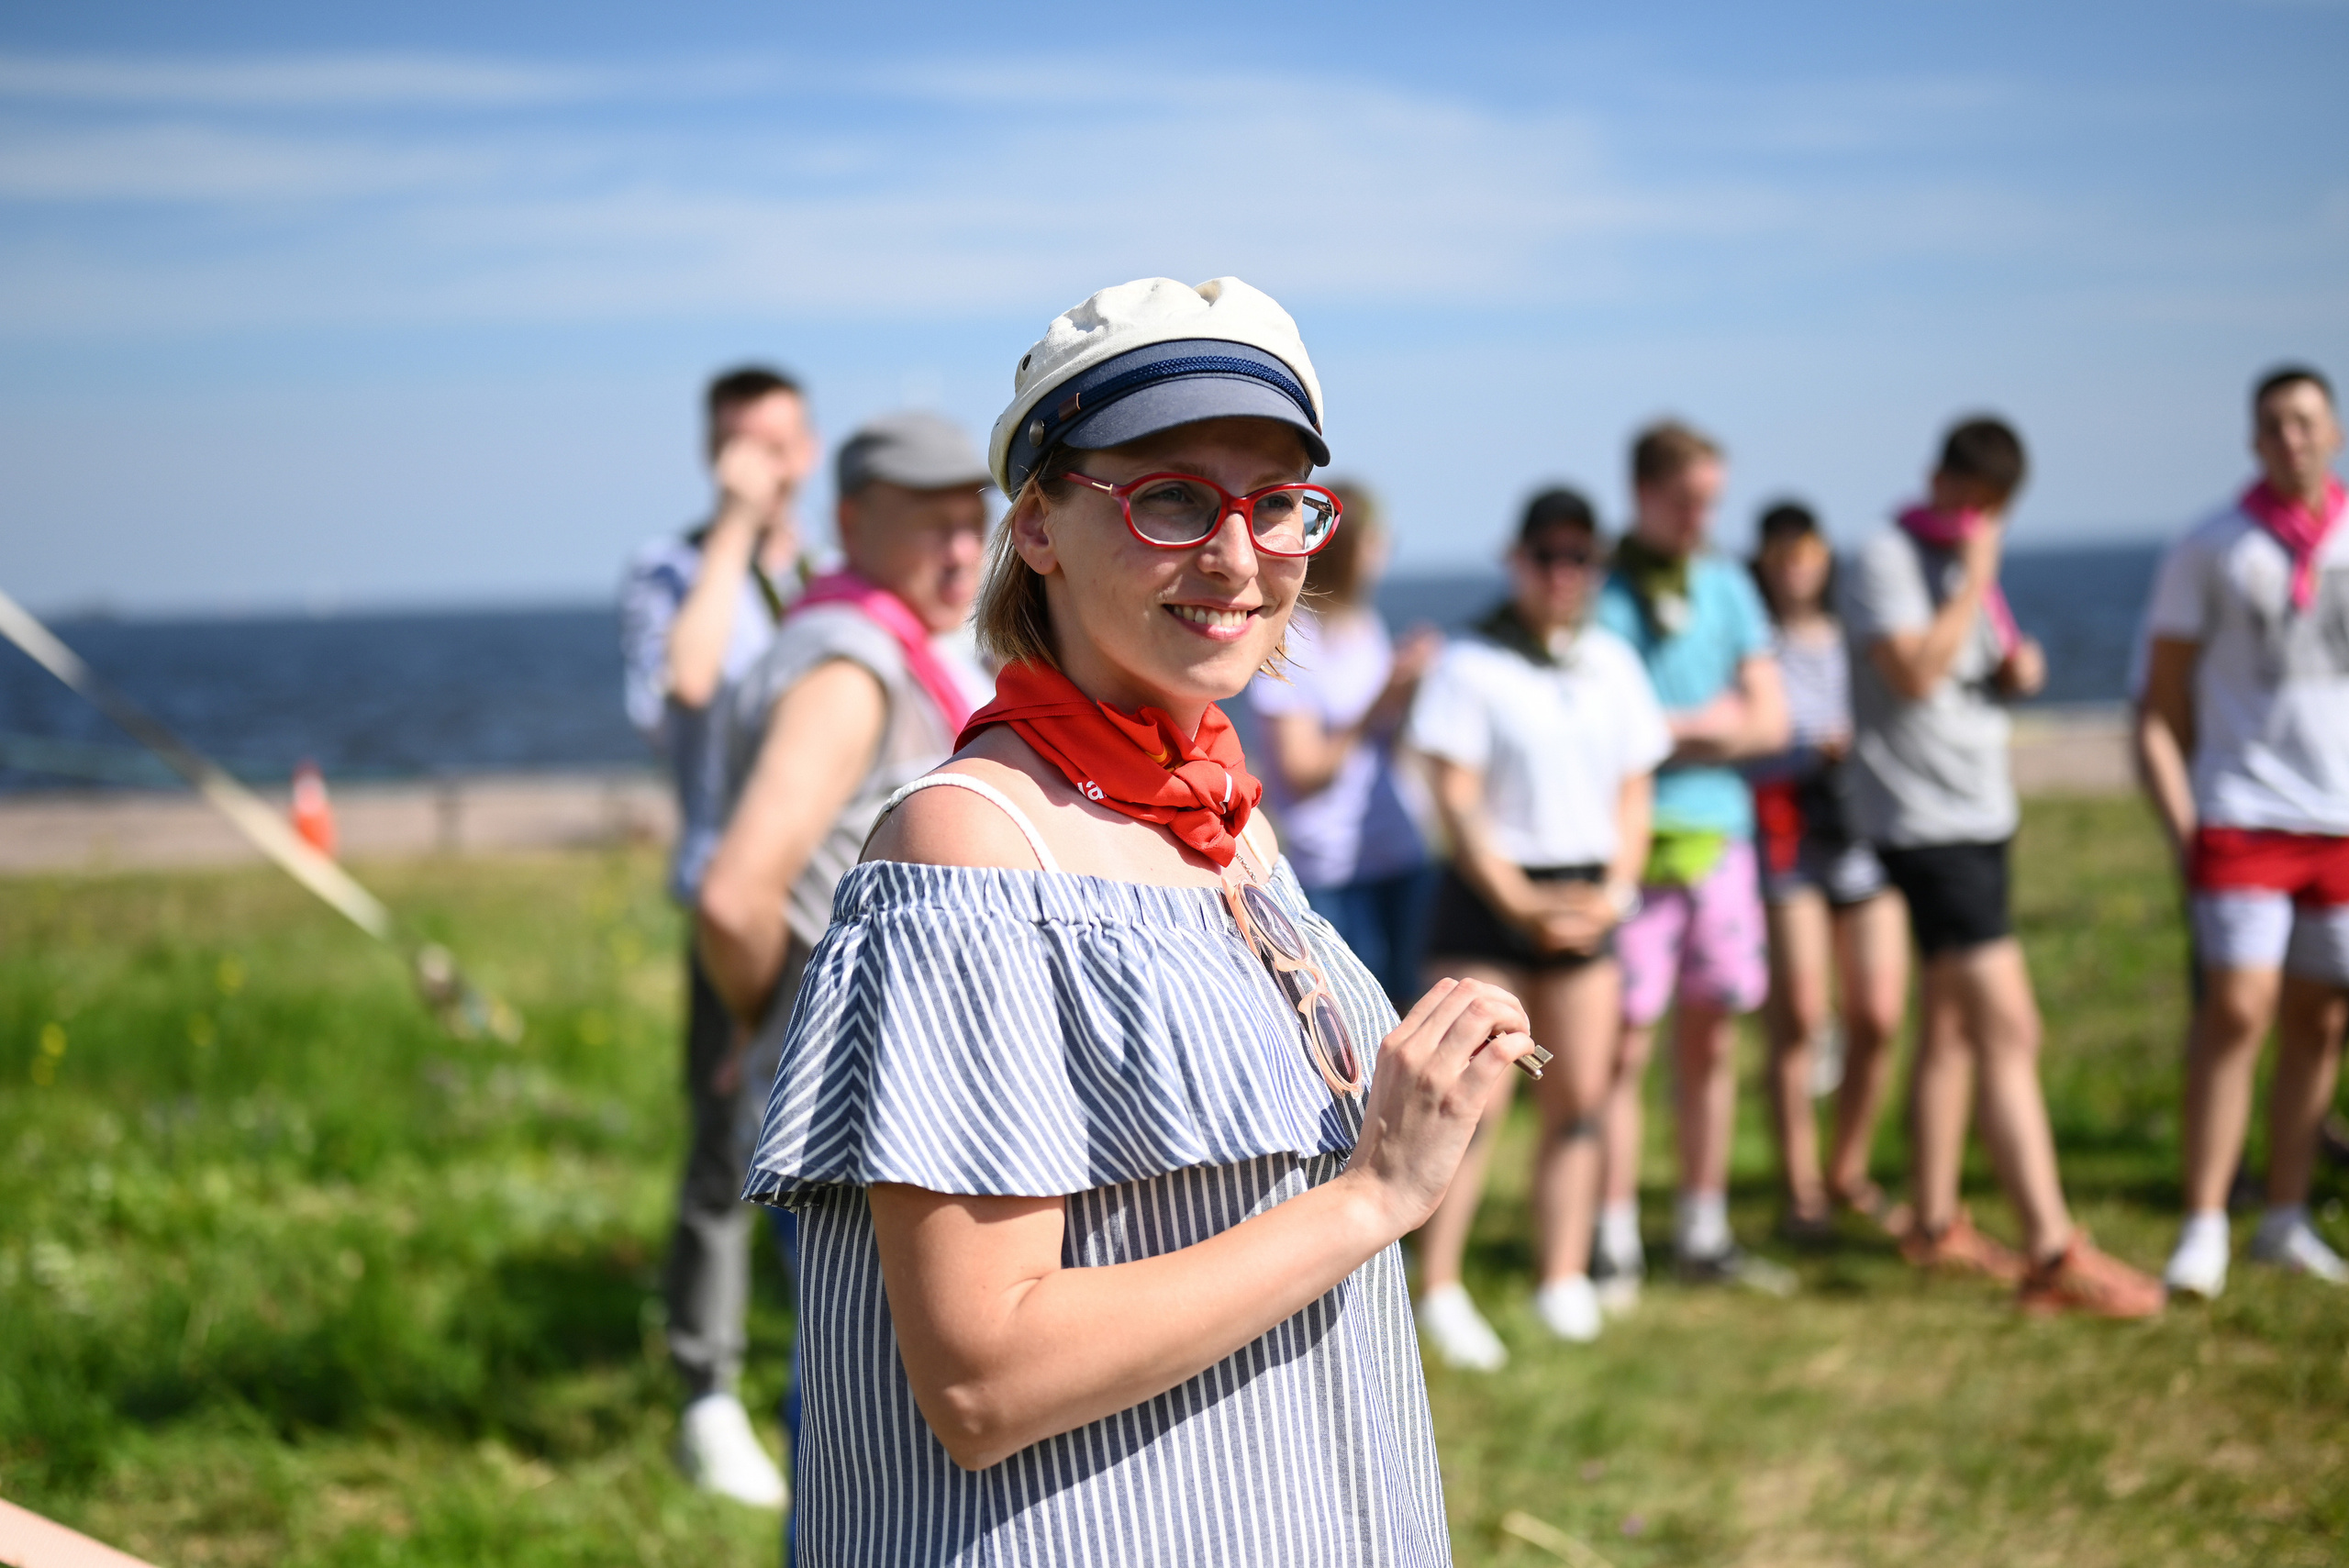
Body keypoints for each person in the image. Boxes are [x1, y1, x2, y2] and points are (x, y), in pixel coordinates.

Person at [739, 276, 1544, 1564]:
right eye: (1170, 497)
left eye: (1278, 502)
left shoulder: (1228, 823)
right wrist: (1373, 1195)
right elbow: (983, 1378)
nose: (1237, 556)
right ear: (1042, 525)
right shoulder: (977, 849)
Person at [696, 409, 995, 1553]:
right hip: (868, 1105)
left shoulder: (869, 635)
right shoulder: (852, 667)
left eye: (974, 523)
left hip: (877, 1096)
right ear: (851, 521)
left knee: (862, 1398)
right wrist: (768, 1022)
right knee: (869, 1418)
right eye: (931, 525)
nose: (962, 550)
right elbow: (736, 894)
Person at [1843, 415, 2163, 1317]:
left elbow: (1969, 672)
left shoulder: (1954, 564)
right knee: (2009, 1028)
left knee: (1949, 1024)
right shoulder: (1886, 557)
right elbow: (1913, 671)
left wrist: (2018, 666)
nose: (1973, 519)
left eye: (1989, 510)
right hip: (1926, 821)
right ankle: (2053, 1247)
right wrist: (1975, 581)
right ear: (1935, 478)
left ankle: (1934, 1217)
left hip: (1978, 813)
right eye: (1966, 498)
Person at [1404, 487, 1669, 1365]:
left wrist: (1617, 892)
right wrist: (1516, 897)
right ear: (1516, 558)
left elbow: (1635, 791)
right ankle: (1437, 1286)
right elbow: (1456, 793)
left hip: (1587, 896)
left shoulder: (1613, 662)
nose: (1563, 574)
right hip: (1488, 903)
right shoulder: (1470, 662)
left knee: (1580, 1097)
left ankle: (1563, 1273)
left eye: (1580, 558)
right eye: (1547, 556)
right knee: (1473, 1105)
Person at [618, 363, 818, 1507]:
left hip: (832, 891)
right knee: (725, 1145)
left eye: (778, 444)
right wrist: (736, 527)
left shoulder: (832, 571)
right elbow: (685, 681)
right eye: (739, 447)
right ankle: (706, 1387)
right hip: (731, 897)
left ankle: (828, 1356)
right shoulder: (675, 568)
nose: (762, 464)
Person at [2136, 364, 2349, 1296]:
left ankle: (2285, 1212)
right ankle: (2203, 1218)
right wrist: (2185, 813)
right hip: (2242, 809)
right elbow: (2160, 697)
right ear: (2251, 439)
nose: (2290, 438)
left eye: (2305, 421)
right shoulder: (2211, 545)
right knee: (2236, 1008)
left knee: (2321, 1016)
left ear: (2333, 430)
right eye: (2272, 424)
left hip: (2338, 816)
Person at [1592, 422, 1792, 1302]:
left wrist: (1671, 729)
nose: (1700, 516)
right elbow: (1606, 722)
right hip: (1633, 842)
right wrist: (1706, 724)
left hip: (1723, 842)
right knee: (1623, 1047)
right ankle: (1612, 1235)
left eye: (1710, 499)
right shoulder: (1604, 591)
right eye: (1685, 500)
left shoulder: (1728, 584)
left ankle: (1703, 1226)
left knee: (1715, 1034)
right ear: (1643, 494)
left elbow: (1773, 720)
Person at [1744, 502, 1909, 1239]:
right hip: (1789, 836)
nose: (1795, 565)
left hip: (1862, 833)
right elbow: (1750, 735)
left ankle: (1849, 1168)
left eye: (1806, 549)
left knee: (1878, 1013)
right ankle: (1803, 1190)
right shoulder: (1757, 641)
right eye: (1780, 553)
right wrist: (1808, 748)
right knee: (1802, 1016)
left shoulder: (1856, 635)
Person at [1248, 479, 1442, 1007]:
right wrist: (1382, 698)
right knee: (1355, 1016)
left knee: (1406, 1006)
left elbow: (1382, 745)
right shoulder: (1295, 640)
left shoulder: (1363, 626)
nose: (1384, 550)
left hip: (1397, 851)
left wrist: (1407, 692)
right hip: (1333, 867)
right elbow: (1302, 771)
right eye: (1378, 538)